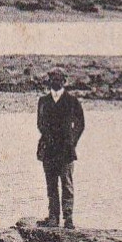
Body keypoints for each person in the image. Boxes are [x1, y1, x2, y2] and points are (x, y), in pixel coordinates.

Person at [36, 70, 86, 229]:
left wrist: (72, 141)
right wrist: (46, 138)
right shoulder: (43, 101)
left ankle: (68, 218)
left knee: (67, 184)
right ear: (49, 81)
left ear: (64, 81)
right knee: (51, 185)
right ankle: (53, 217)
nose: (55, 82)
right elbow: (40, 124)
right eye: (52, 79)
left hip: (66, 150)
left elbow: (80, 124)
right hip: (49, 149)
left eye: (59, 79)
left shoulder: (72, 101)